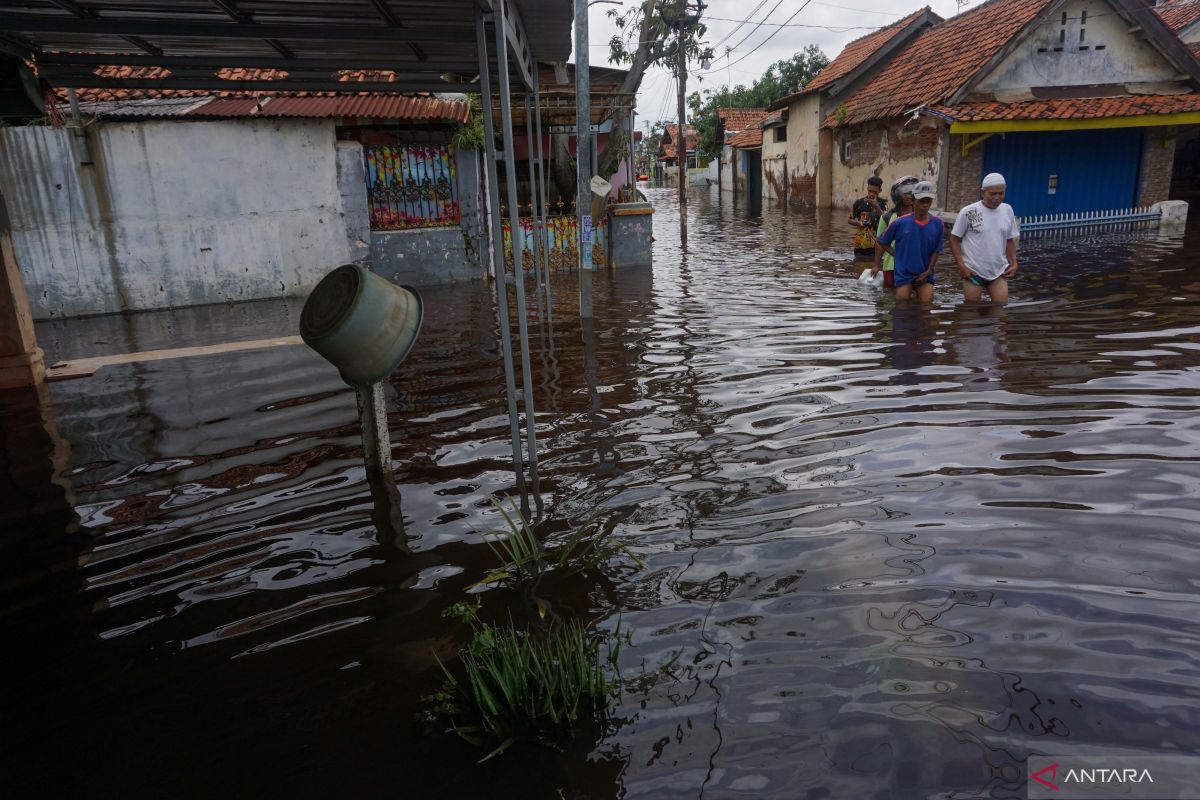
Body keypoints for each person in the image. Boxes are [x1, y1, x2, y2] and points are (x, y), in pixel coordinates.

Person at [949, 173, 1019, 303]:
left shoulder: (1007, 210)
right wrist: (962, 266)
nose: (997, 198)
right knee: (971, 313)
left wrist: (1014, 262)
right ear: (983, 192)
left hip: (998, 270)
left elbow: (1009, 239)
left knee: (1000, 311)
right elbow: (954, 239)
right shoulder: (968, 212)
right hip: (973, 271)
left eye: (1001, 193)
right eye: (992, 194)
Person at [874, 180, 943, 303]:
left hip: (925, 273)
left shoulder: (938, 224)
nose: (925, 205)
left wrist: (928, 271)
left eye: (928, 201)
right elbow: (882, 241)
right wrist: (897, 255)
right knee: (902, 305)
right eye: (922, 201)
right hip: (904, 273)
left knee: (926, 305)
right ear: (914, 200)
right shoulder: (899, 222)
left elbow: (936, 250)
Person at [873, 176, 918, 289]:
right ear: (897, 195)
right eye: (905, 193)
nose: (909, 196)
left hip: (915, 265)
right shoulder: (887, 217)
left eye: (911, 193)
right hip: (892, 265)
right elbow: (879, 242)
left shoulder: (921, 215)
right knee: (892, 298)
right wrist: (876, 265)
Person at [849, 176, 888, 263]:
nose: (871, 194)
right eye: (870, 191)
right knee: (858, 268)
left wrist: (876, 206)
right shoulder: (858, 203)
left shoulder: (883, 203)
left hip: (877, 245)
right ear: (867, 188)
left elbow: (887, 220)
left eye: (875, 192)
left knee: (874, 267)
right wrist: (859, 223)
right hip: (860, 245)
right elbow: (850, 220)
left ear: (880, 191)